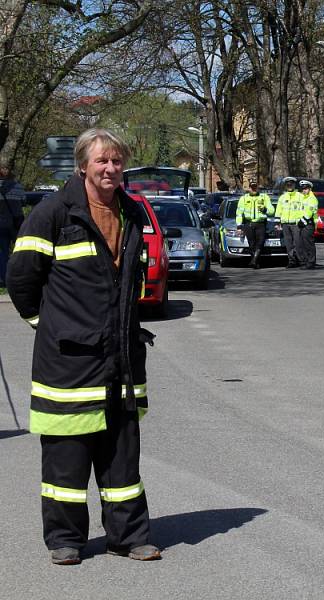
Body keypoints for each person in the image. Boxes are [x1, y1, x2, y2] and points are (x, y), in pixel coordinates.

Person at [6, 128, 160, 565]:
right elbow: (21, 279)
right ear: (82, 166)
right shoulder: (52, 214)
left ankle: (128, 536)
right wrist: (49, 324)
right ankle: (65, 540)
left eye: (116, 161)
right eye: (101, 161)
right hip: (68, 364)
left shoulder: (132, 213)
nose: (111, 168)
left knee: (122, 460)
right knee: (65, 464)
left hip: (122, 360)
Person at [236, 180, 274, 269]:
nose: (254, 189)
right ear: (249, 188)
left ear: (258, 188)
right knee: (252, 244)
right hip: (248, 224)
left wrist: (265, 210)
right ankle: (256, 262)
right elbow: (239, 213)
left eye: (255, 187)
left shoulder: (264, 197)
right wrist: (239, 225)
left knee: (260, 243)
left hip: (260, 223)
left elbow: (272, 211)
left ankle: (254, 261)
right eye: (252, 187)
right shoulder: (244, 198)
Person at [0, 167, 25, 287]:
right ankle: (21, 276)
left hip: (1, 225)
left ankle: (4, 279)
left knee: (2, 253)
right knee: (21, 251)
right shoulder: (17, 186)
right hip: (16, 223)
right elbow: (23, 200)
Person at [274, 177, 303, 268]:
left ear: (294, 185)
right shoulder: (282, 197)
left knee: (298, 243)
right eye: (288, 185)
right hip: (285, 224)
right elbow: (278, 210)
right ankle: (292, 261)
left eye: (291, 184)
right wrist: (277, 223)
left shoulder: (300, 196)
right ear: (286, 186)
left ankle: (301, 261)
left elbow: (304, 209)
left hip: (296, 224)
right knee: (288, 244)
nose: (289, 186)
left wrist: (302, 220)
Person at [296, 179, 319, 269]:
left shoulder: (312, 199)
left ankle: (311, 262)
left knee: (308, 244)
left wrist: (303, 220)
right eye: (302, 189)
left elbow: (310, 212)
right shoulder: (303, 198)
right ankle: (306, 261)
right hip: (302, 224)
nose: (304, 190)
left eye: (305, 188)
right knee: (303, 244)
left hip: (308, 224)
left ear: (309, 189)